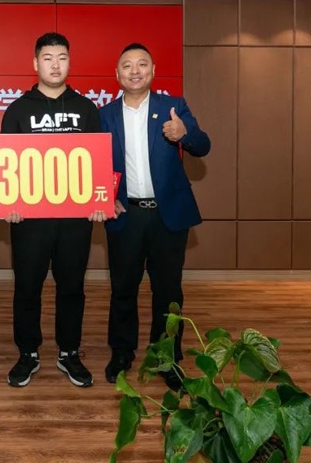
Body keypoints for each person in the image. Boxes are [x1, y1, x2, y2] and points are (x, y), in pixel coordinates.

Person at [99, 43, 210, 391]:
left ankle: (167, 358)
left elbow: (203, 145)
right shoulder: (104, 115)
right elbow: (92, 163)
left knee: (168, 292)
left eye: (142, 64)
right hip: (125, 215)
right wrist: (106, 196)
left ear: (153, 70)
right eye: (127, 65)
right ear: (117, 74)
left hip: (167, 216)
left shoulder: (172, 107)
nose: (135, 71)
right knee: (123, 289)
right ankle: (121, 353)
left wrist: (184, 134)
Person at [0, 32, 105, 389]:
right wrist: (9, 203)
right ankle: (27, 353)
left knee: (72, 287)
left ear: (69, 62)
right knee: (27, 287)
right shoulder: (18, 110)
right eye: (48, 58)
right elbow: (6, 165)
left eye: (62, 57)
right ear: (35, 63)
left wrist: (99, 201)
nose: (55, 65)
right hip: (29, 220)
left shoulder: (86, 109)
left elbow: (98, 163)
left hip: (75, 219)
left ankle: (69, 352)